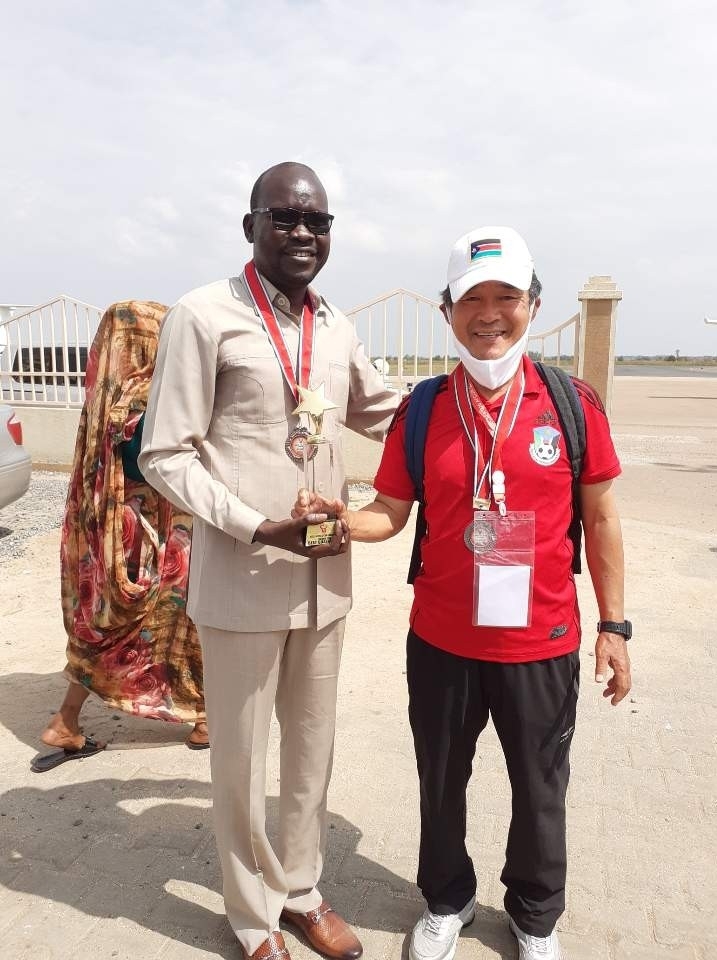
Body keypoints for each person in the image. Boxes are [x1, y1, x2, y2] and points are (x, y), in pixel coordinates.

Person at [294, 226, 632, 960]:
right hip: (443, 640)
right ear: (447, 311)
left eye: (505, 296)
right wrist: (340, 522)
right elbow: (390, 511)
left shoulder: (572, 405)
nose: (489, 313)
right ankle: (446, 901)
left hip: (541, 641)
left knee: (541, 790)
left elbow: (602, 517)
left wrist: (615, 625)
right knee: (441, 782)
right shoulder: (421, 410)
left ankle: (535, 916)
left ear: (532, 305)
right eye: (471, 298)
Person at [138, 162, 397, 960]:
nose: (302, 234)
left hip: (324, 576)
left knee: (312, 750)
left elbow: (383, 409)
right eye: (284, 218)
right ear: (250, 225)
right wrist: (255, 526)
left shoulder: (339, 326)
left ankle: (303, 890)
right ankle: (253, 915)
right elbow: (164, 454)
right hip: (246, 576)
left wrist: (479, 399)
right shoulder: (204, 315)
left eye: (316, 222)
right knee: (243, 760)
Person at [34, 300, 207, 775]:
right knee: (169, 620)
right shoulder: (147, 399)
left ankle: (69, 718)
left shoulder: (102, 399)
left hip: (106, 534)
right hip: (150, 536)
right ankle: (201, 717)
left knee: (110, 625)